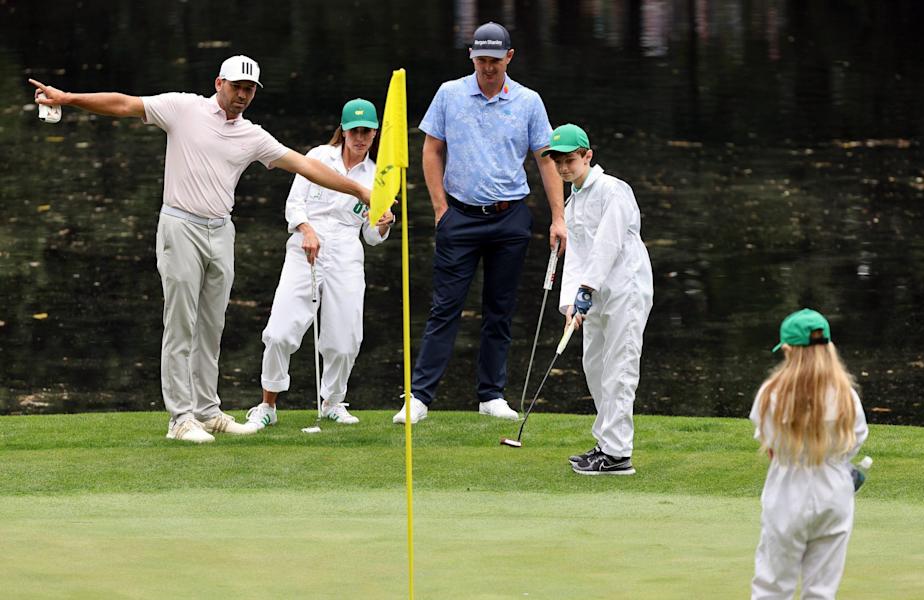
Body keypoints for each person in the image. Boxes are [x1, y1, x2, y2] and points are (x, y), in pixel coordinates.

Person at [30, 56, 371, 444]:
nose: (242, 95)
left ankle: (207, 411)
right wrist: (68, 97)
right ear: (219, 83)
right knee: (180, 323)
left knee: (212, 325)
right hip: (180, 225)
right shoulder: (184, 108)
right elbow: (125, 104)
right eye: (237, 87)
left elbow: (304, 166)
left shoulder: (252, 135)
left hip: (221, 231)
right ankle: (180, 418)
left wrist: (358, 189)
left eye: (250, 90)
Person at [393, 21, 567, 424]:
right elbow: (432, 149)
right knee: (445, 308)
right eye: (480, 60)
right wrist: (439, 208)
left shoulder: (528, 101)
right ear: (471, 57)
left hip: (510, 218)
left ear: (509, 57)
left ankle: (491, 395)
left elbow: (546, 158)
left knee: (500, 309)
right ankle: (419, 397)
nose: (487, 68)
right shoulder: (450, 94)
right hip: (461, 216)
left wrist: (558, 216)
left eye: (494, 60)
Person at [245, 99, 393, 430]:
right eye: (354, 131)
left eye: (366, 132)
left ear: (374, 134)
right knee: (280, 332)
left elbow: (371, 235)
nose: (360, 138)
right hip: (306, 245)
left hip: (346, 250)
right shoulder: (317, 157)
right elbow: (294, 203)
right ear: (342, 131)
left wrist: (384, 222)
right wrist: (306, 229)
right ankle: (267, 404)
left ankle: (332, 402)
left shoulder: (378, 176)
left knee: (345, 339)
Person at [542, 124, 654, 475]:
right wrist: (570, 304)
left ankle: (618, 454)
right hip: (595, 297)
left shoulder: (612, 190)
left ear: (588, 156)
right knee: (595, 366)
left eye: (570, 160)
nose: (563, 168)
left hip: (625, 290)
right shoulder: (574, 202)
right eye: (558, 162)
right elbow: (576, 256)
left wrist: (586, 289)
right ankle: (605, 444)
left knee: (619, 369)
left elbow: (608, 244)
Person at [750, 308, 869, 599]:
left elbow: (769, 443)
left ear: (789, 350)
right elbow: (856, 440)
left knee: (773, 586)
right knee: (821, 590)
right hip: (835, 493)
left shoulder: (772, 393)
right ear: (828, 346)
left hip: (787, 492)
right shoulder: (846, 394)